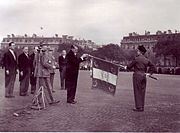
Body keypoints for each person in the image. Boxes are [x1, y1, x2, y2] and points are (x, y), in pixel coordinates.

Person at [126, 45, 155, 112]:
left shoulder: (137, 59)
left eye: (138, 51)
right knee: (142, 91)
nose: (137, 52)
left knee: (137, 91)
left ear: (140, 52)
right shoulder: (146, 59)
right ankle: (142, 106)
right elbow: (153, 67)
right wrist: (149, 73)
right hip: (144, 76)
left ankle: (138, 107)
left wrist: (126, 67)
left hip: (137, 76)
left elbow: (130, 66)